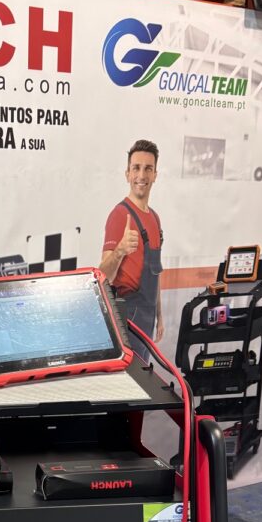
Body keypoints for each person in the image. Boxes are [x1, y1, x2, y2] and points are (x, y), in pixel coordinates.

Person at [99, 139, 164, 362]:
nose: (141, 175)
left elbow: (155, 271)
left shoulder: (154, 218)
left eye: (148, 168)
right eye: (136, 168)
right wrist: (120, 250)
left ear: (155, 175)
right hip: (128, 319)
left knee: (145, 378)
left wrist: (159, 315)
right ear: (127, 174)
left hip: (148, 318)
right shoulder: (119, 215)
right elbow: (103, 276)